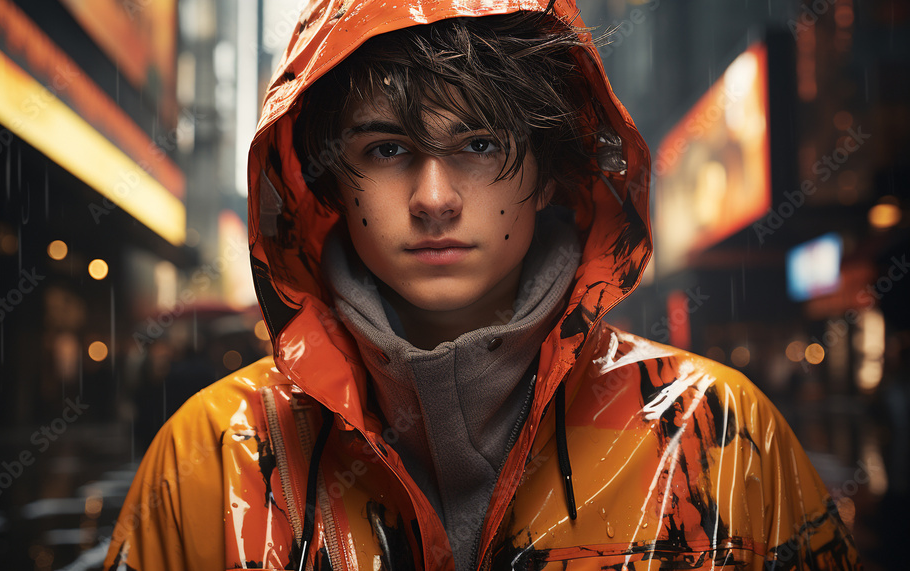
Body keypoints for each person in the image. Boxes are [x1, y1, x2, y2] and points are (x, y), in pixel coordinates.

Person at [104, 1, 860, 569]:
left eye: (481, 142)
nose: (435, 197)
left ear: (549, 171)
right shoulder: (209, 459)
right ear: (332, 179)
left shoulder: (722, 437)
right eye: (388, 147)